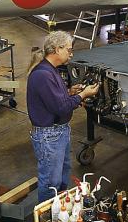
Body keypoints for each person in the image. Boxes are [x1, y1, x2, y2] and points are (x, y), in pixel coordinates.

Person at [27, 31, 100, 202]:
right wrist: (83, 95)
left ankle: (59, 210)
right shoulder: (43, 74)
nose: (71, 53)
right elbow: (60, 107)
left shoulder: (50, 70)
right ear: (57, 49)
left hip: (58, 132)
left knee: (61, 176)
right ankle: (47, 219)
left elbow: (53, 99)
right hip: (49, 136)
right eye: (69, 49)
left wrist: (69, 92)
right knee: (51, 182)